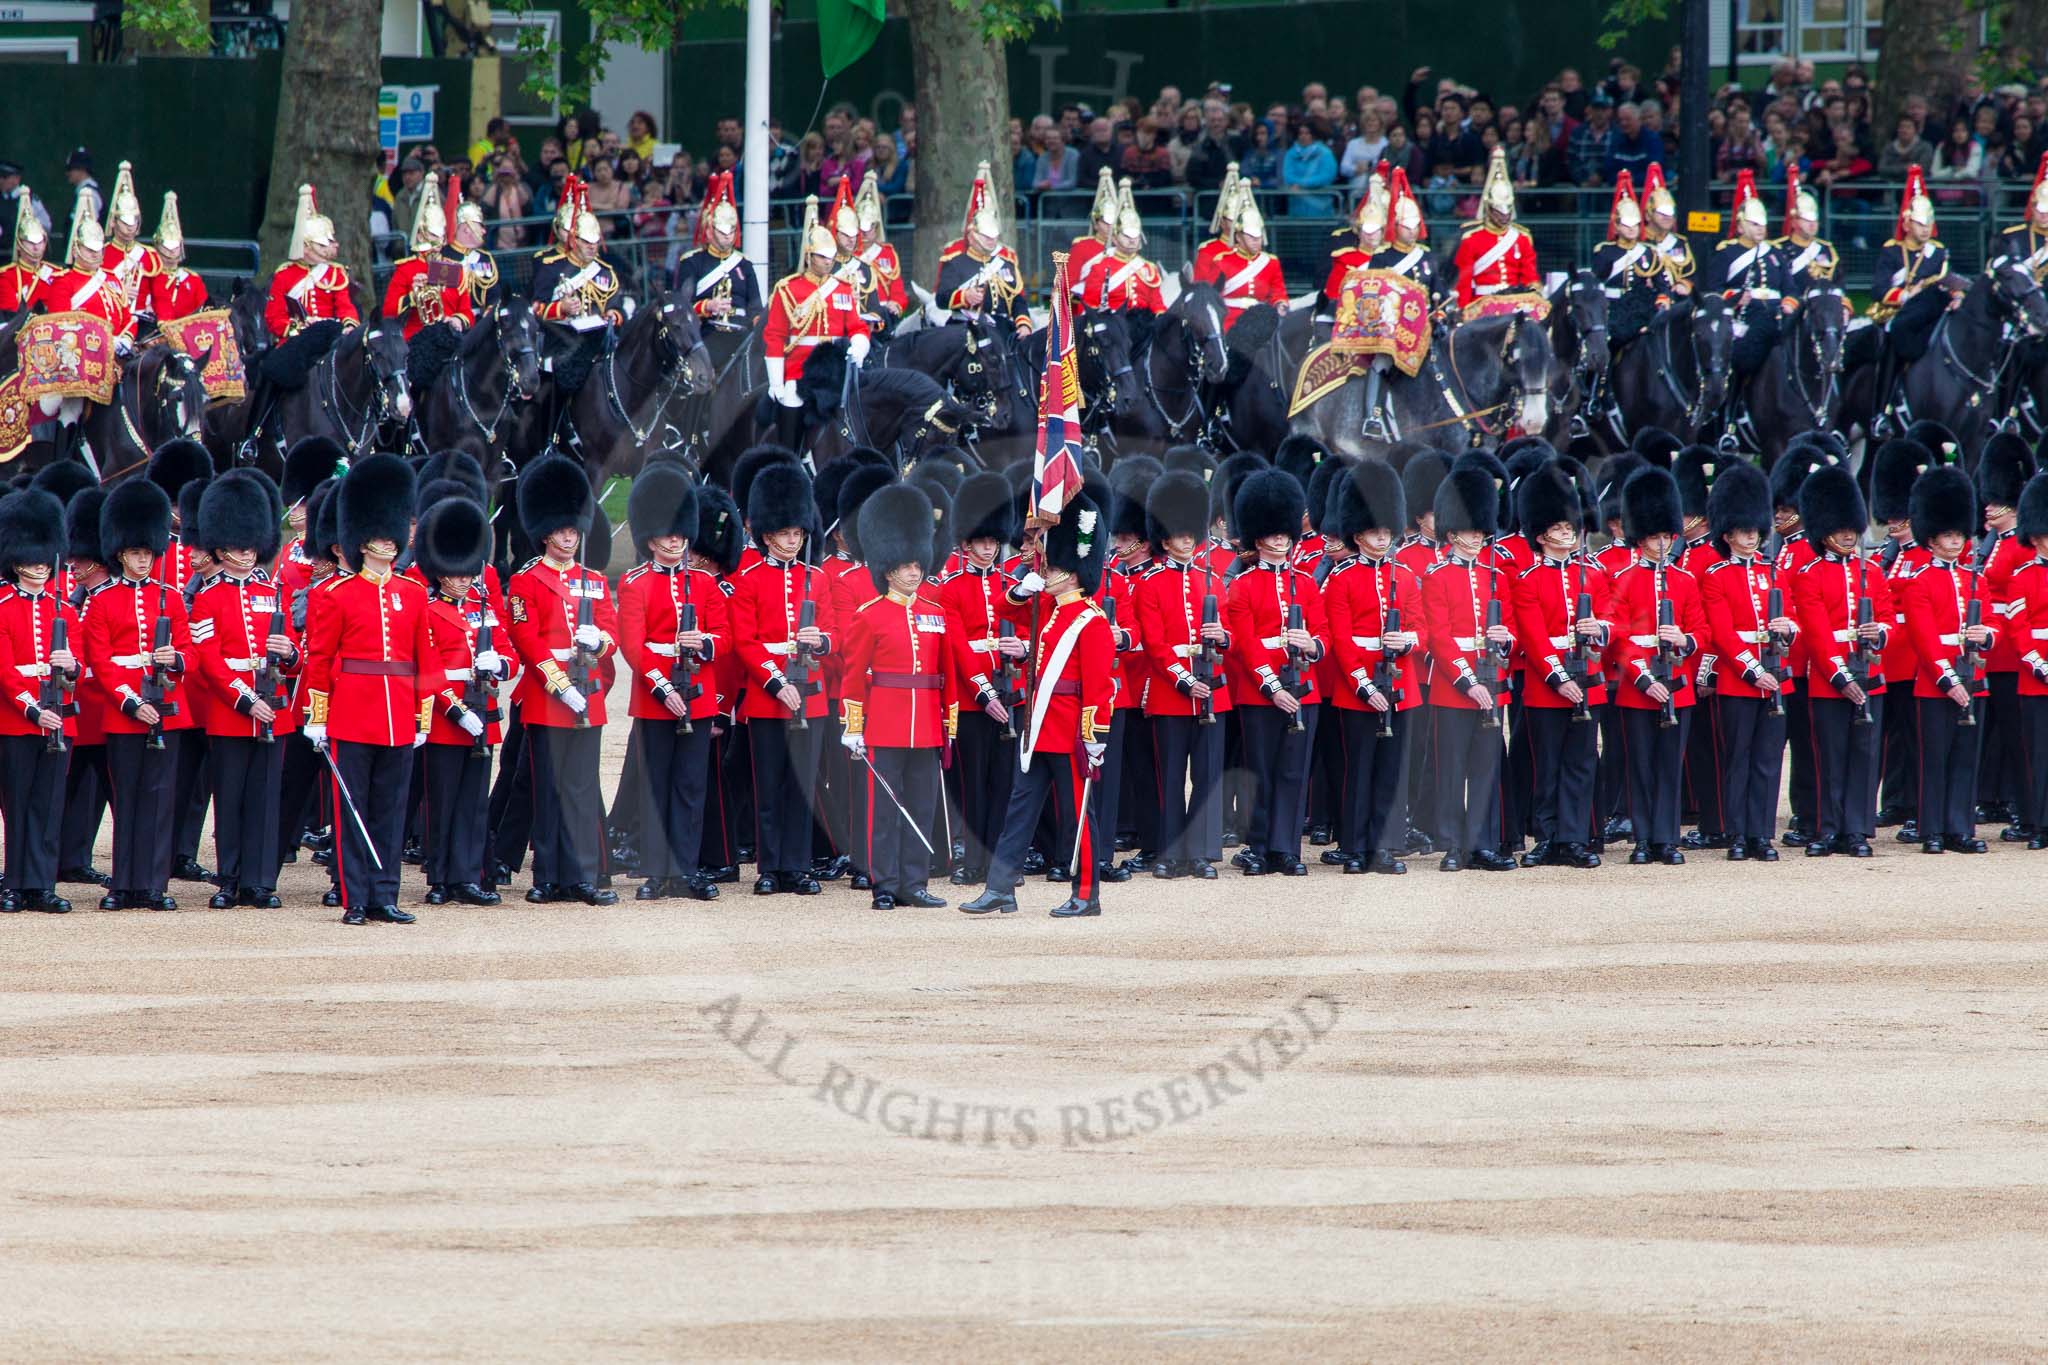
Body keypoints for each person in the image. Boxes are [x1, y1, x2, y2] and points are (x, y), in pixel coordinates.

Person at [960, 494, 1116, 918]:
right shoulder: (1048, 607)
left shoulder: (1091, 620)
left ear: (1073, 574)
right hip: (1039, 727)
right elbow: (1005, 606)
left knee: (1078, 818)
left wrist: (1094, 736)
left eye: (1054, 569)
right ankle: (1000, 889)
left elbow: (1100, 688)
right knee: (1018, 812)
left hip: (1069, 733)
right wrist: (1021, 587)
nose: (1046, 573)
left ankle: (1086, 894)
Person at [301, 454, 431, 924]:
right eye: (378, 536)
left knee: (390, 812)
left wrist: (423, 717)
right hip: (352, 712)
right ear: (361, 541)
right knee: (352, 809)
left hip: (399, 714)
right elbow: (319, 660)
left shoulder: (415, 594)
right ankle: (356, 897)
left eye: (392, 535)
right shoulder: (333, 594)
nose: (388, 543)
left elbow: (425, 662)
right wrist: (317, 717)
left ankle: (385, 895)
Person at [504, 456, 619, 906]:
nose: (569, 537)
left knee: (581, 787)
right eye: (562, 531)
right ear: (546, 533)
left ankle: (581, 876)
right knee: (549, 790)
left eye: (574, 530)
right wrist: (560, 685)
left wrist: (601, 640)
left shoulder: (592, 580)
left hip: (588, 696)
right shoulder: (526, 581)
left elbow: (610, 632)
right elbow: (527, 640)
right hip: (549, 698)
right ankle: (547, 875)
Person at [840, 481, 956, 911]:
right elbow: (854, 677)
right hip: (884, 724)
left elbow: (947, 674)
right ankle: (884, 883)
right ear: (888, 568)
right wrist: (854, 727)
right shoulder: (869, 616)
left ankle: (915, 882)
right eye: (906, 565)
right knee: (884, 811)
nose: (914, 571)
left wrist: (949, 723)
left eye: (917, 564)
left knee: (921, 807)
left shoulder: (935, 614)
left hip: (926, 724)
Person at [186, 469, 295, 910]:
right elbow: (209, 660)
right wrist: (245, 699)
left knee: (266, 801)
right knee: (230, 798)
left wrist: (289, 654)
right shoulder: (208, 597)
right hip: (233, 712)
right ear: (220, 548)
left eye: (250, 545)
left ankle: (259, 881)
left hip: (275, 705)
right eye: (236, 546)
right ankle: (229, 878)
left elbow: (292, 650)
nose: (245, 553)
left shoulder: (272, 591)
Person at [81, 480, 191, 912]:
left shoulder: (172, 599)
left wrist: (176, 659)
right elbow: (102, 662)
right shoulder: (103, 602)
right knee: (126, 798)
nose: (143, 559)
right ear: (121, 553)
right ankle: (123, 883)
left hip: (165, 708)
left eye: (148, 552)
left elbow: (191, 651)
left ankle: (153, 885)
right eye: (135, 552)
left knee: (160, 799)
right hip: (125, 712)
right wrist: (131, 701)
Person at [732, 460, 840, 895]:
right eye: (784, 534)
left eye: (797, 534)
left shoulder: (816, 578)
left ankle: (797, 866)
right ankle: (769, 867)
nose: (792, 541)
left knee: (802, 784)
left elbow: (835, 633)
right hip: (768, 696)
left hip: (811, 695)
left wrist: (821, 641)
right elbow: (746, 641)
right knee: (770, 784)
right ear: (767, 535)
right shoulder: (749, 580)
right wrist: (777, 682)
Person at [1321, 461, 1423, 874]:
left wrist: (1409, 640)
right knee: (1358, 772)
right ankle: (1356, 846)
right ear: (1358, 534)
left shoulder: (1406, 575)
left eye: (1386, 532)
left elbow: (1422, 627)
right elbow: (1342, 641)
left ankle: (1384, 846)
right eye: (1374, 532)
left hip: (1400, 683)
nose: (1382, 538)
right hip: (1357, 688)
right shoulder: (1342, 578)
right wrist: (1364, 686)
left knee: (1390, 772)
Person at [1223, 469, 1325, 877]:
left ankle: (1286, 849)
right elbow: (1246, 644)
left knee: (1293, 772)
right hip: (1259, 692)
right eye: (1273, 532)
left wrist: (1313, 646)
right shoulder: (1243, 586)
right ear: (1258, 535)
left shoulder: (1306, 583)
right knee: (1261, 772)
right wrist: (1271, 687)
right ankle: (1260, 846)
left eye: (1285, 531)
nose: (1281, 538)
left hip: (1304, 688)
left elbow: (1324, 634)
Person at [1509, 463, 1609, 869]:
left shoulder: (1596, 574)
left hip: (1591, 681)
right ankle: (1549, 836)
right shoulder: (1528, 579)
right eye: (1558, 526)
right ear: (1541, 534)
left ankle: (1574, 837)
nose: (1567, 531)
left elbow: (1614, 622)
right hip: (1546, 687)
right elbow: (1533, 639)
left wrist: (1600, 628)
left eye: (1569, 525)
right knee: (1547, 766)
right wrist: (1560, 678)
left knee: (1581, 763)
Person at [1420, 466, 1517, 871]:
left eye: (1481, 530)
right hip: (1453, 688)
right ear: (1452, 533)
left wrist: (1505, 639)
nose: (1478, 536)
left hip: (1493, 683)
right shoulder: (1436, 577)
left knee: (1484, 769)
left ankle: (1481, 843)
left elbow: (1511, 628)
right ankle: (1452, 844)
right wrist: (1467, 681)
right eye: (1470, 530)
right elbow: (1438, 638)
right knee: (1452, 769)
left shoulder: (1495, 576)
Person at [1792, 464, 1891, 857]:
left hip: (1871, 675)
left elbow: (1886, 617)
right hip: (1830, 680)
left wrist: (1879, 633)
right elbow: (1816, 634)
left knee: (1865, 757)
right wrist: (1840, 677)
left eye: (1852, 528)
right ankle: (1827, 828)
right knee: (1829, 758)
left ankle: (1857, 828)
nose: (1849, 534)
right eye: (1841, 528)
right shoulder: (1809, 575)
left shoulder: (1871, 571)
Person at [414, 494, 508, 907]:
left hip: (483, 712)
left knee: (473, 802)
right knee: (444, 801)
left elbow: (509, 651)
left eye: (469, 571)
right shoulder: (429, 611)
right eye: (456, 572)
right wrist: (456, 711)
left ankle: (468, 876)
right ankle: (440, 876)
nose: (465, 579)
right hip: (446, 718)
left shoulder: (484, 610)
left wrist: (500, 663)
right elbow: (429, 671)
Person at [1608, 466, 1704, 865]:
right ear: (1640, 538)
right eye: (1654, 537)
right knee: (1642, 766)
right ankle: (1644, 837)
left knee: (1669, 767)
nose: (1662, 544)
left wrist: (1684, 641)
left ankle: (1666, 838)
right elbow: (1619, 637)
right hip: (1638, 688)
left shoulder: (1684, 580)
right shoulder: (1625, 579)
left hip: (1677, 683)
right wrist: (1646, 680)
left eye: (1666, 536)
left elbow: (1701, 628)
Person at [1699, 461, 1795, 861]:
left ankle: (1761, 834)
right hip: (1741, 681)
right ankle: (1737, 833)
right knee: (1738, 760)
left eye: (1755, 530)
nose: (1752, 536)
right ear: (1728, 534)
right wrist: (1754, 671)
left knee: (1769, 761)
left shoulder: (1773, 572)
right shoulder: (1717, 576)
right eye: (1744, 531)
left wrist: (1787, 630)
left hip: (1776, 675)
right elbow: (1722, 634)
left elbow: (1792, 619)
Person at [1899, 464, 1995, 853]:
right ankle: (1931, 829)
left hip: (1975, 676)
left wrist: (1985, 636)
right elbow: (1923, 639)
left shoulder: (1977, 580)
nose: (1956, 542)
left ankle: (1960, 827)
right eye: (1948, 536)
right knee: (1934, 759)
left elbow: (1990, 623)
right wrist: (1949, 681)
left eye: (1958, 535)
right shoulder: (1919, 581)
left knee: (1965, 758)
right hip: (1936, 684)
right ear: (1932, 540)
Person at [0, 489, 82, 914]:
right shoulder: (3, 605)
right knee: (17, 803)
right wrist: (34, 709)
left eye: (42, 556)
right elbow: (6, 671)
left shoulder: (62, 608)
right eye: (30, 557)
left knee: (49, 805)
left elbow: (80, 663)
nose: (37, 564)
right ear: (15, 560)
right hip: (17, 721)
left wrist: (70, 667)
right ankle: (13, 883)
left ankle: (40, 883)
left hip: (58, 717)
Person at [763, 208, 872, 453]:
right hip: (799, 369)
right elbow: (775, 336)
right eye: (822, 256)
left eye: (831, 256)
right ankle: (790, 458)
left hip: (834, 367)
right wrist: (776, 380)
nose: (828, 261)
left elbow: (857, 326)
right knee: (791, 401)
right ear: (809, 255)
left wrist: (859, 346)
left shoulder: (842, 289)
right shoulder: (788, 289)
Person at [1867, 167, 1950, 435]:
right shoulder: (1892, 251)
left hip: (1930, 315)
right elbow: (1879, 288)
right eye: (1919, 223)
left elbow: (1944, 281)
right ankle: (1881, 409)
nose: (1925, 229)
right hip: (1899, 312)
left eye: (1928, 223)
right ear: (1906, 223)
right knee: (1892, 337)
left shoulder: (1937, 252)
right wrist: (1904, 295)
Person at [380, 174, 474, 390]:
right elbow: (389, 312)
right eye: (433, 237)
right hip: (416, 339)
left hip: (449, 337)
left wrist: (458, 320)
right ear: (422, 235)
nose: (438, 244)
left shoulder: (454, 269)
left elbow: (466, 311)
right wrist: (413, 296)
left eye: (441, 238)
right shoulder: (406, 269)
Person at [936, 163, 1031, 337]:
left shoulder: (1007, 263)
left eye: (993, 236)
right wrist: (964, 297)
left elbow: (1018, 300)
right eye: (986, 236)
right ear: (972, 237)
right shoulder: (956, 263)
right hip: (966, 327)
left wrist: (1023, 323)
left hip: (1001, 328)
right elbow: (941, 298)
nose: (991, 240)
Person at [1450, 148, 1540, 316]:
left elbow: (1529, 277)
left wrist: (1533, 298)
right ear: (1489, 209)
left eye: (1507, 211)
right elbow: (1465, 281)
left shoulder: (1522, 238)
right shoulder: (1471, 239)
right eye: (1499, 212)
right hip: (1482, 304)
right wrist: (1464, 310)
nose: (1504, 217)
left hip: (1515, 303)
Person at [671, 169, 761, 326]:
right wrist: (707, 306)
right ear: (709, 231)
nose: (728, 236)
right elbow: (682, 306)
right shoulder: (692, 262)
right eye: (722, 231)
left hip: (740, 331)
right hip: (705, 330)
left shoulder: (744, 264)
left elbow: (755, 307)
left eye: (732, 231)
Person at [1083, 180, 1164, 314]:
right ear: (1114, 238)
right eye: (1126, 236)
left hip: (1144, 326)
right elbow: (1091, 305)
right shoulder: (1100, 268)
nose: (1132, 241)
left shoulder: (1149, 268)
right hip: (1114, 326)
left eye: (1135, 236)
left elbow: (1157, 304)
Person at [1211, 188, 1288, 326]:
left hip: (1261, 318)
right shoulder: (1222, 261)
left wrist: (1280, 302)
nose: (1255, 241)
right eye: (1250, 236)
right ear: (1238, 237)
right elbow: (1214, 296)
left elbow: (1277, 290)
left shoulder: (1270, 262)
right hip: (1230, 320)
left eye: (1258, 237)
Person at [99, 162, 161, 323]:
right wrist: (119, 291)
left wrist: (155, 310)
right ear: (114, 222)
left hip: (142, 321)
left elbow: (160, 294)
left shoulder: (150, 255)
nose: (129, 228)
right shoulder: (100, 253)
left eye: (133, 222)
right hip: (110, 320)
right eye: (125, 222)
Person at [852, 171, 907, 320]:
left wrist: (896, 304)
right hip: (856, 314)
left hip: (883, 315)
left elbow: (897, 290)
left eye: (869, 228)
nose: (864, 233)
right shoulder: (847, 255)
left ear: (876, 228)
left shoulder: (887, 253)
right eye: (860, 228)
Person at [1776, 169, 1840, 294]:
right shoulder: (1779, 249)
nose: (1812, 224)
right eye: (1806, 220)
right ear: (1794, 222)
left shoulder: (1826, 249)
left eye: (1814, 220)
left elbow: (1838, 283)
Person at [148, 192, 207, 322]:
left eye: (175, 246)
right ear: (158, 246)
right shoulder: (148, 276)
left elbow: (204, 312)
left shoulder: (193, 279)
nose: (171, 252)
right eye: (167, 247)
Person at [1638, 163, 1694, 294]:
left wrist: (1684, 284)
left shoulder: (1680, 242)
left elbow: (1689, 273)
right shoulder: (1639, 243)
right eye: (1661, 213)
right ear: (1648, 215)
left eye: (1670, 213)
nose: (1667, 217)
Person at [1067, 167, 1120, 302]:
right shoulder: (1082, 247)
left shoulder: (1124, 247)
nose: (1110, 226)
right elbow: (1069, 285)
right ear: (1096, 225)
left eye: (1114, 221)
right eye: (1106, 222)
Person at [0, 182, 54, 314]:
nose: (36, 248)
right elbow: (10, 317)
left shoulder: (56, 273)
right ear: (19, 245)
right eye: (30, 242)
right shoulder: (6, 276)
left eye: (39, 242)